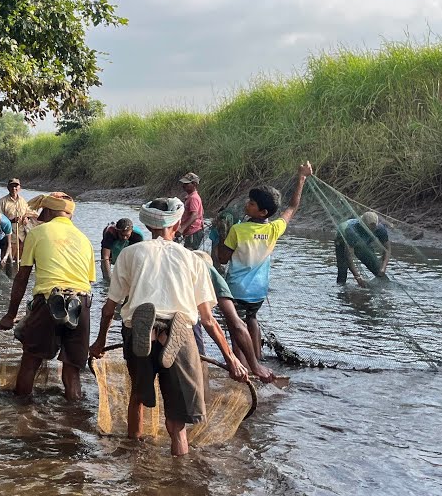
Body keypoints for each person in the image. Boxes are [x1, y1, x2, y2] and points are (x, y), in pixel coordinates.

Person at [89, 198, 248, 456]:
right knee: (177, 422)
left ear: (148, 225)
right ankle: (179, 475)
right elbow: (207, 319)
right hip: (180, 330)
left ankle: (135, 460)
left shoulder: (130, 253)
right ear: (176, 224)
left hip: (136, 328)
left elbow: (109, 309)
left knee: (138, 397)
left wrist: (99, 344)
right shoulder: (193, 259)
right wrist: (231, 359)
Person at [0, 193, 94, 401]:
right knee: (72, 370)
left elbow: (22, 277)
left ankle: (20, 415)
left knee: (30, 362)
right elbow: (89, 281)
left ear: (47, 211)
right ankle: (72, 423)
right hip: (82, 304)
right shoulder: (85, 239)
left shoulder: (38, 233)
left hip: (50, 301)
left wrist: (10, 314)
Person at [216, 162, 313, 364]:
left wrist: (221, 237)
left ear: (263, 212)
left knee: (236, 328)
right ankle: (258, 359)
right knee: (251, 319)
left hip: (237, 289)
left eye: (251, 203)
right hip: (259, 292)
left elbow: (223, 258)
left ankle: (243, 365)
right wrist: (301, 178)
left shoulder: (238, 230)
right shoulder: (274, 229)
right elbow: (293, 207)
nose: (247, 204)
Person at [191, 250, 274, 383]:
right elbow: (233, 324)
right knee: (198, 368)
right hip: (182, 322)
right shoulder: (208, 271)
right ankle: (203, 395)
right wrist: (252, 365)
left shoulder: (177, 264)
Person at [335, 211, 391, 286]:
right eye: (368, 229)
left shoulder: (380, 229)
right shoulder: (351, 231)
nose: (371, 231)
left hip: (364, 242)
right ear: (362, 225)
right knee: (342, 270)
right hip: (341, 240)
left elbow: (387, 249)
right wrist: (357, 277)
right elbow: (348, 256)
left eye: (373, 229)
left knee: (377, 270)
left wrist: (383, 268)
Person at [0, 178, 36, 265]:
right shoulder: (2, 202)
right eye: (12, 186)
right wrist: (12, 220)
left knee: (20, 259)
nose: (14, 188)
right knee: (7, 260)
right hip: (8, 235)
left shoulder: (22, 201)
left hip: (21, 234)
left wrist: (26, 218)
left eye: (16, 186)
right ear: (8, 188)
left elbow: (29, 213)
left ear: (19, 188)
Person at [177, 173, 206, 250]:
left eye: (186, 184)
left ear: (194, 184)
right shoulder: (190, 197)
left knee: (189, 256)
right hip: (191, 232)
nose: (183, 186)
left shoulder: (193, 198)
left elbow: (194, 215)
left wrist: (182, 228)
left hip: (194, 232)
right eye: (183, 183)